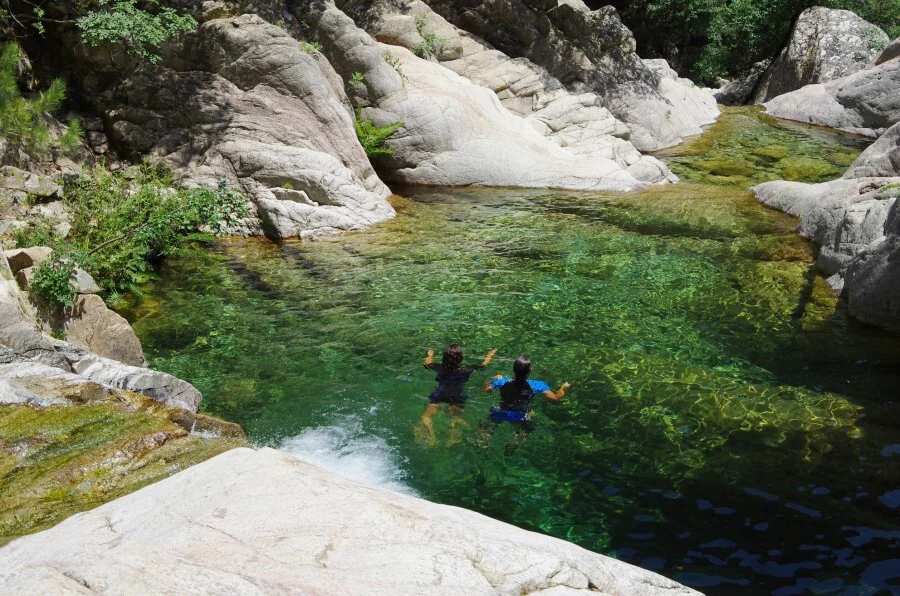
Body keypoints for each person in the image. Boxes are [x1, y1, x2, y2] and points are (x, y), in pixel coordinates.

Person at [416, 344, 497, 446]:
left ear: (444, 358)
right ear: (461, 358)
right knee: (455, 419)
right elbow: (484, 365)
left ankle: (431, 437)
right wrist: (490, 354)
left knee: (426, 417)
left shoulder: (440, 368)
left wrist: (430, 354)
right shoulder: (466, 370)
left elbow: (427, 364)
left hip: (440, 394)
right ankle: (451, 440)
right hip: (457, 396)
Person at [484, 355, 571, 424]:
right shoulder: (537, 385)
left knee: (486, 432)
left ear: (513, 370)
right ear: (530, 371)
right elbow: (555, 397)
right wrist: (563, 388)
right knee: (528, 421)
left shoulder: (502, 381)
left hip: (499, 412)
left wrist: (494, 379)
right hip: (519, 415)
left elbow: (486, 389)